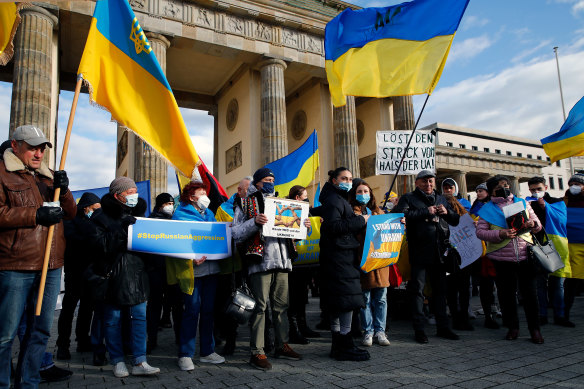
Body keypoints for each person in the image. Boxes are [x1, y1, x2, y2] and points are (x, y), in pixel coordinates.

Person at [0, 125, 77, 388]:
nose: (39, 153)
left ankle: (29, 383)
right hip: (16, 265)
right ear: (15, 145)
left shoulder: (48, 176)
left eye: (42, 147)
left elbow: (72, 214)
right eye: (32, 147)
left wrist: (64, 191)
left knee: (40, 331)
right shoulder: (2, 173)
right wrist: (34, 215)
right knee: (5, 335)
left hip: (51, 266)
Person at [232, 167, 307, 371]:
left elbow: (296, 236)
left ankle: (281, 345)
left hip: (283, 261)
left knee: (282, 306)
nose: (270, 182)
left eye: (273, 179)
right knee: (260, 307)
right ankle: (257, 351)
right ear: (257, 182)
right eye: (266, 179)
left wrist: (303, 226)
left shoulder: (285, 203)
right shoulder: (244, 202)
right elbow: (236, 233)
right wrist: (254, 222)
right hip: (260, 261)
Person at [88, 177, 160, 377]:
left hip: (137, 275)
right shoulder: (100, 217)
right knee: (112, 320)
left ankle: (140, 361)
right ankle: (117, 360)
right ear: (117, 195)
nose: (134, 195)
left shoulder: (141, 215)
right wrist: (121, 230)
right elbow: (99, 247)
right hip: (113, 276)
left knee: (139, 319)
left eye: (135, 190)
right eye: (129, 192)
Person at [393, 170, 460, 344]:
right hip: (419, 251)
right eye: (424, 181)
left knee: (440, 291)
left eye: (430, 181)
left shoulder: (441, 197)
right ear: (417, 183)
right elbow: (400, 216)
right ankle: (419, 329)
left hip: (440, 251)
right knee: (417, 291)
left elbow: (455, 220)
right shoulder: (408, 198)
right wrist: (426, 211)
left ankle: (443, 327)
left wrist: (446, 212)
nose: (428, 184)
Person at [475, 175, 544, 344]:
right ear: (492, 191)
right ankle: (513, 327)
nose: (505, 188)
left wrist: (531, 225)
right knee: (506, 296)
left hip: (525, 254)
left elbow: (538, 224)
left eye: (506, 185)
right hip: (501, 258)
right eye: (500, 187)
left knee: (530, 295)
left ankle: (535, 330)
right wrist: (500, 233)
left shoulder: (522, 202)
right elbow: (480, 232)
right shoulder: (486, 210)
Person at [169, 182, 226, 371]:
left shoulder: (209, 214)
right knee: (191, 311)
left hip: (211, 269)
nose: (205, 196)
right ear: (191, 197)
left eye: (205, 192)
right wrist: (191, 258)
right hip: (193, 271)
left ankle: (207, 351)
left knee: (208, 311)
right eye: (201, 193)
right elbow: (176, 243)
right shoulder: (179, 215)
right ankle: (185, 354)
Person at [318, 167, 370, 361]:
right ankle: (344, 345)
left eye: (350, 179)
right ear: (334, 180)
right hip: (338, 258)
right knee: (345, 302)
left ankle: (339, 345)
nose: (348, 182)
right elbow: (333, 227)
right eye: (344, 178)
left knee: (338, 303)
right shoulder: (334, 200)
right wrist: (360, 221)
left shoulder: (337, 199)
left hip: (339, 257)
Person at [57, 192, 102, 360]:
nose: (97, 212)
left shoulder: (95, 222)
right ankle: (62, 345)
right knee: (68, 309)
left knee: (87, 308)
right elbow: (76, 240)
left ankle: (83, 339)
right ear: (85, 208)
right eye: (94, 209)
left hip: (91, 272)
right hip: (75, 271)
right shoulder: (70, 221)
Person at [348, 180, 391, 347]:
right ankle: (368, 331)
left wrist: (399, 224)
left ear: (371, 194)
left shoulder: (379, 212)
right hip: (363, 260)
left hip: (380, 261)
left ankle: (380, 330)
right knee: (365, 298)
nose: (363, 194)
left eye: (366, 191)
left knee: (381, 298)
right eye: (359, 191)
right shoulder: (352, 212)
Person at [527, 176, 573, 327]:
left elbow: (562, 221)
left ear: (545, 188)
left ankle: (560, 315)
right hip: (537, 245)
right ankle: (542, 314)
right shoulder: (527, 203)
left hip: (557, 246)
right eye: (533, 190)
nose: (536, 192)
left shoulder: (557, 202)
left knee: (558, 283)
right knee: (540, 283)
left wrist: (545, 207)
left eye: (539, 189)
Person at [286, 185, 320, 345]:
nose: (307, 199)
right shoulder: (287, 209)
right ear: (297, 198)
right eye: (305, 196)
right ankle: (294, 330)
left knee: (302, 297)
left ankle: (303, 326)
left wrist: (314, 222)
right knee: (294, 298)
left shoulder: (307, 210)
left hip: (305, 263)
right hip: (293, 262)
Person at [145, 192, 178, 354]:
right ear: (160, 206)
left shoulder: (176, 221)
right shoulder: (150, 221)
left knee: (175, 304)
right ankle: (151, 338)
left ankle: (179, 337)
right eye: (167, 204)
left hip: (172, 269)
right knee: (154, 305)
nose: (170, 206)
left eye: (172, 203)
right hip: (156, 269)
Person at [441, 178, 474, 331]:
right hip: (454, 256)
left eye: (450, 188)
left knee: (459, 289)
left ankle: (460, 318)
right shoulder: (442, 207)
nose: (448, 190)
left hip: (459, 255)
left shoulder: (462, 209)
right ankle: (459, 318)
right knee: (456, 289)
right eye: (445, 188)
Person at [469, 183, 500, 329]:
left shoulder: (495, 206)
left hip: (497, 249)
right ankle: (489, 315)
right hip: (482, 253)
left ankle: (497, 311)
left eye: (481, 191)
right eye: (477, 191)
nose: (478, 193)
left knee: (498, 285)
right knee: (486, 285)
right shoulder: (475, 207)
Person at [564, 173, 584, 323]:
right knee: (572, 282)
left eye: (578, 184)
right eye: (572, 184)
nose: (574, 187)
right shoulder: (564, 202)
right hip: (571, 245)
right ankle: (565, 315)